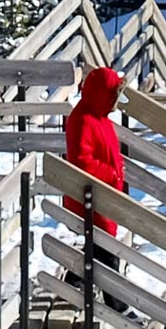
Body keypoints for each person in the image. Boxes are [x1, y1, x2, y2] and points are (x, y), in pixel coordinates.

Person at [63, 65, 126, 234]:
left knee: (107, 252)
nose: (117, 99)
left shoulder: (101, 117)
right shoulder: (83, 120)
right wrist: (112, 173)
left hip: (104, 201)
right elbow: (81, 161)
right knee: (104, 255)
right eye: (114, 93)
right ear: (104, 94)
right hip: (92, 203)